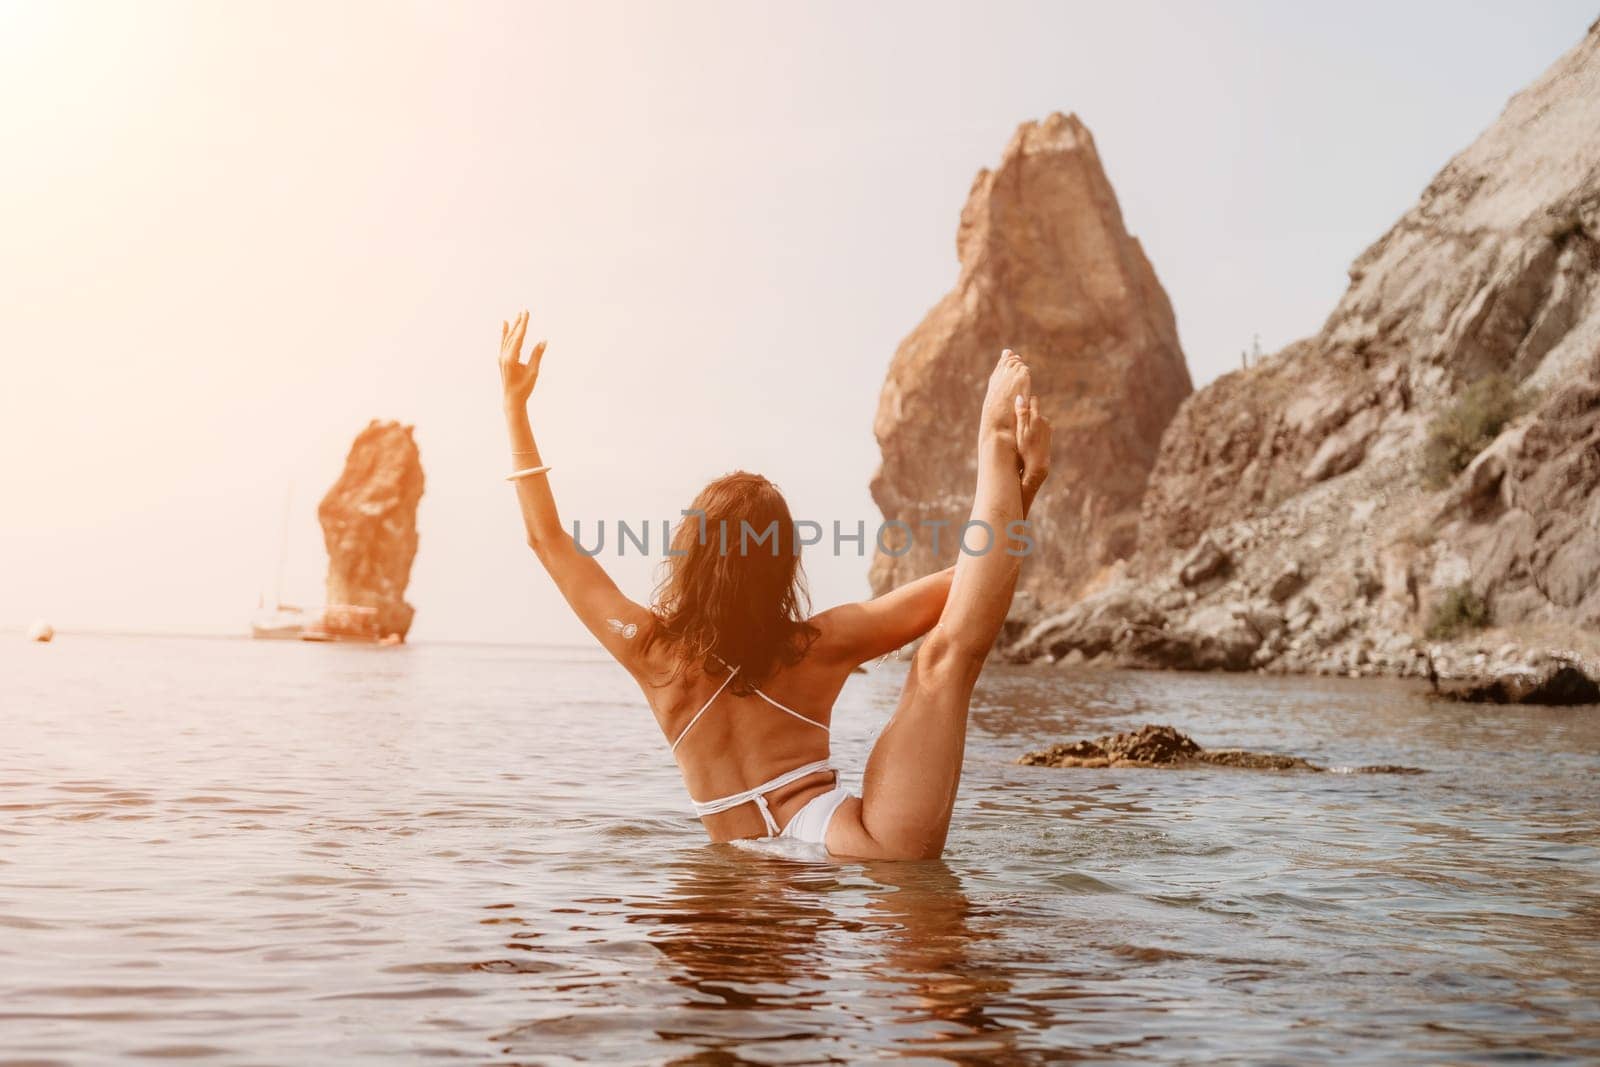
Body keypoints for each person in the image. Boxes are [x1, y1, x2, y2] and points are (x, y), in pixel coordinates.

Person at [498, 310, 1050, 860]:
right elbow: (969, 581)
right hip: (856, 843)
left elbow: (547, 540)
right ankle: (994, 445)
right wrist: (1019, 491)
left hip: (742, 866)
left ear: (689, 556)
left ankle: (997, 449)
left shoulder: (650, 650)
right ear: (785, 563)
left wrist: (514, 407)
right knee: (944, 662)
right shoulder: (818, 644)